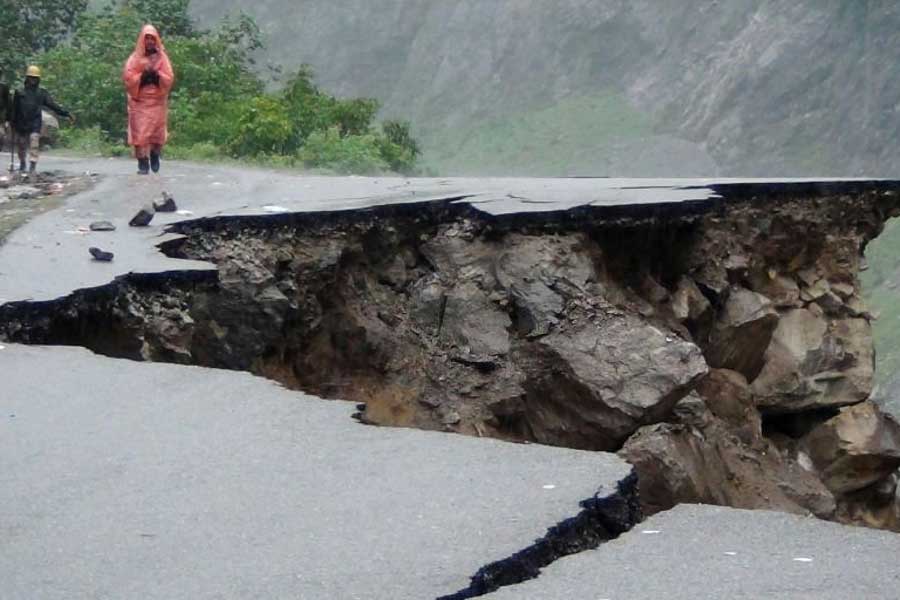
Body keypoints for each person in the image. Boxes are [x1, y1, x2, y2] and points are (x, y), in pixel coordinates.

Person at [122, 24, 174, 175]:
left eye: (152, 38)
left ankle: (155, 154)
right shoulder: (134, 58)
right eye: (147, 38)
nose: (150, 41)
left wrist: (156, 75)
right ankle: (142, 163)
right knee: (139, 133)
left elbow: (169, 77)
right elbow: (128, 78)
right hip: (139, 101)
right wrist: (143, 76)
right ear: (142, 40)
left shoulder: (162, 58)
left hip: (157, 101)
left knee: (157, 134)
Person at [10, 65, 72, 176]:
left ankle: (32, 166)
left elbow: (53, 105)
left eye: (35, 78)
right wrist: (12, 122)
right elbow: (14, 109)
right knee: (21, 146)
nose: (33, 80)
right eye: (31, 77)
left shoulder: (41, 93)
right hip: (21, 123)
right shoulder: (19, 92)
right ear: (27, 78)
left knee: (34, 144)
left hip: (35, 123)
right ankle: (22, 163)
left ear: (38, 79)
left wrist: (66, 113)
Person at [0, 68, 10, 160]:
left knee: (1, 133)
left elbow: (8, 103)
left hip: (1, 114)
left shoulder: (4, 87)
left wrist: (8, 119)